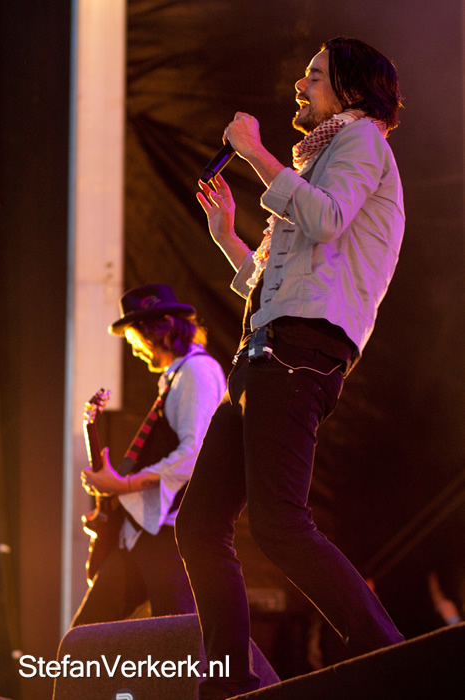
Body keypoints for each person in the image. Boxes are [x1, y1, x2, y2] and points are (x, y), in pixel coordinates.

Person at [176, 37, 406, 699]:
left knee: (279, 522)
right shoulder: (321, 160)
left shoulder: (362, 141)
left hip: (299, 353)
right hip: (264, 351)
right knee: (200, 523)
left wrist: (254, 152)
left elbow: (327, 221)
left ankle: (392, 660)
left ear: (352, 90)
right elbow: (277, 282)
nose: (299, 87)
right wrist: (229, 238)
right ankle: (227, 679)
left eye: (314, 76)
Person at [71, 284, 226, 627]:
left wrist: (122, 485)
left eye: (136, 337)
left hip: (168, 537)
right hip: (142, 534)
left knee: (179, 642)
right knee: (85, 638)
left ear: (162, 327)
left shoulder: (196, 372)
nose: (135, 348)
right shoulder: (176, 377)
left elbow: (194, 454)